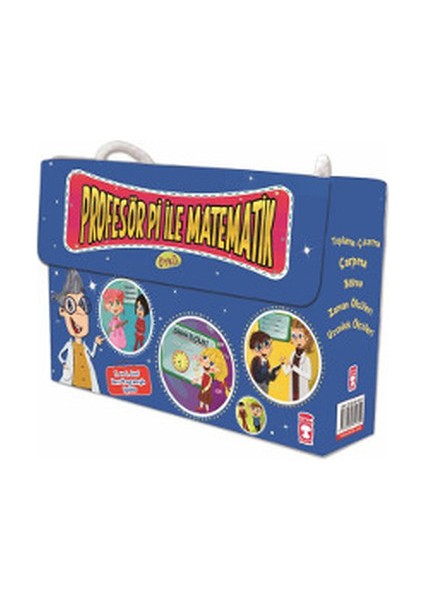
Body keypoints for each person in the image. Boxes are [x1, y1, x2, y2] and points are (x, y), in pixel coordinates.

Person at [54, 269, 103, 392]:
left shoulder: (85, 346)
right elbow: (59, 355)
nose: (79, 313)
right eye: (70, 306)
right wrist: (63, 363)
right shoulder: (69, 345)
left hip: (88, 383)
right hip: (74, 383)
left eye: (83, 305)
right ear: (62, 311)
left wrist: (95, 343)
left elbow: (92, 355)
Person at [282, 319, 313, 402]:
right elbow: (287, 371)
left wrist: (294, 368)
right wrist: (283, 364)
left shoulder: (306, 359)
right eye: (293, 336)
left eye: (299, 336)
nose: (296, 339)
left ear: (307, 338)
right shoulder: (293, 354)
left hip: (302, 391)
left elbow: (308, 376)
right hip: (293, 391)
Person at [194, 347, 230, 413]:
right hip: (203, 387)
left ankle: (207, 410)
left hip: (206, 390)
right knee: (201, 398)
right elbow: (202, 377)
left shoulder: (211, 377)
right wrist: (197, 379)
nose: (206, 362)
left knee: (206, 400)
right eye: (205, 358)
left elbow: (209, 383)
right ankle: (201, 407)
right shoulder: (205, 373)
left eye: (211, 363)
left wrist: (206, 389)